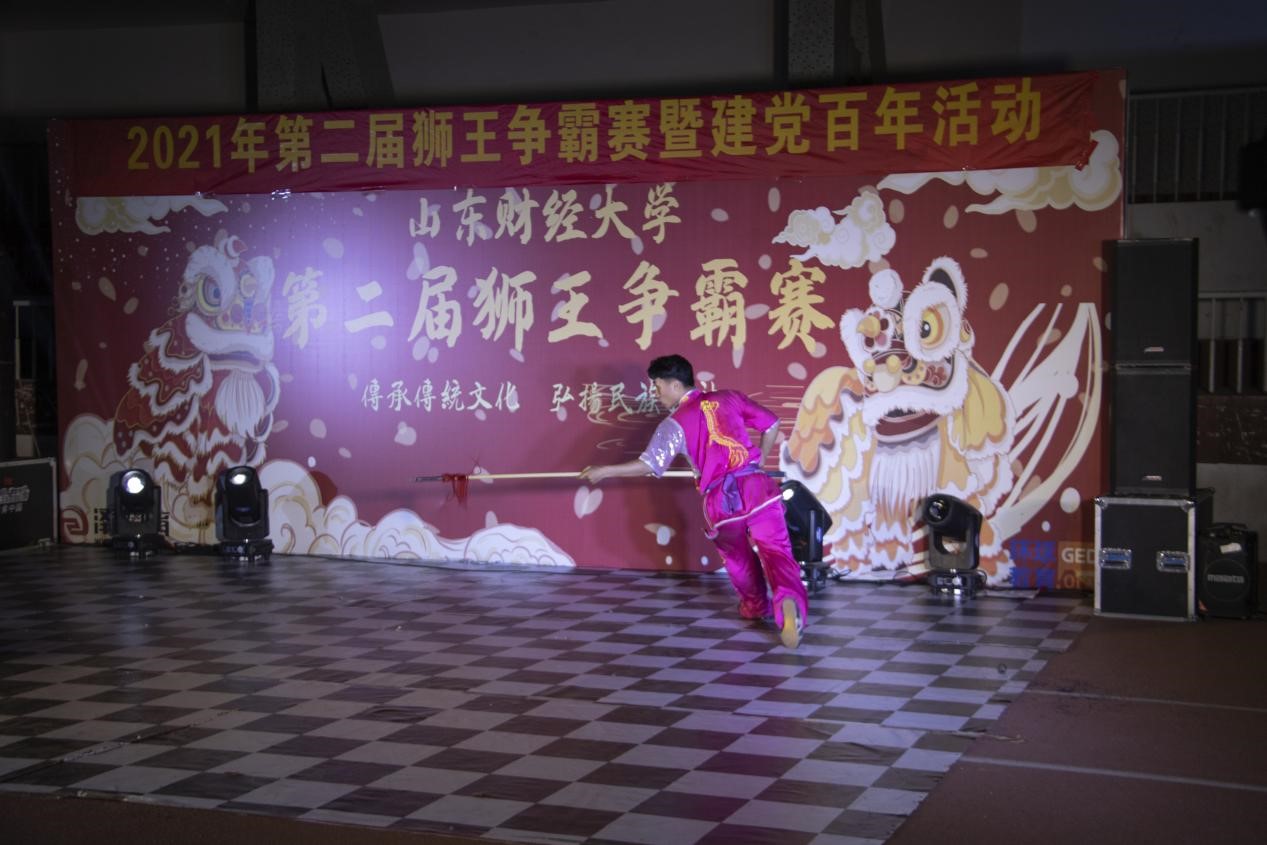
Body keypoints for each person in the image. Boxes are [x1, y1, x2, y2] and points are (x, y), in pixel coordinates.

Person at [580, 354, 808, 648]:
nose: (656, 393)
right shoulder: (729, 398)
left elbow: (650, 464)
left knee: (738, 558)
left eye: (657, 386)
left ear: (675, 385)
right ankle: (789, 601)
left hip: (721, 503)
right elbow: (771, 423)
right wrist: (760, 459)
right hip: (757, 487)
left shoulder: (673, 424)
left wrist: (604, 471)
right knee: (776, 550)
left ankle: (754, 606)